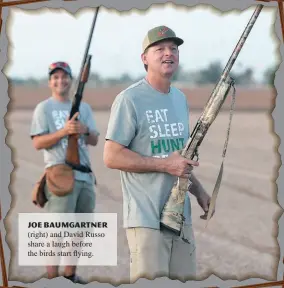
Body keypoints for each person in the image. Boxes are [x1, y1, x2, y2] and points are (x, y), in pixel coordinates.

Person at [103, 26, 213, 283]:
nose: (168, 54)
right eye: (160, 49)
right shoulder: (129, 99)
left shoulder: (179, 99)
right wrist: (165, 166)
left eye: (173, 49)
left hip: (180, 217)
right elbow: (111, 156)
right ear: (144, 58)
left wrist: (200, 192)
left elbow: (178, 160)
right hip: (146, 218)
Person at [30, 61, 100, 284]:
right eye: (55, 77)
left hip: (84, 175)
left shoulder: (84, 108)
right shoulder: (44, 108)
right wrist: (64, 131)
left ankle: (69, 275)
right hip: (60, 175)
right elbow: (38, 142)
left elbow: (95, 139)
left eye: (64, 77)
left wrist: (84, 129)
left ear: (71, 80)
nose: (60, 81)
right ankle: (52, 279)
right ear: (50, 82)